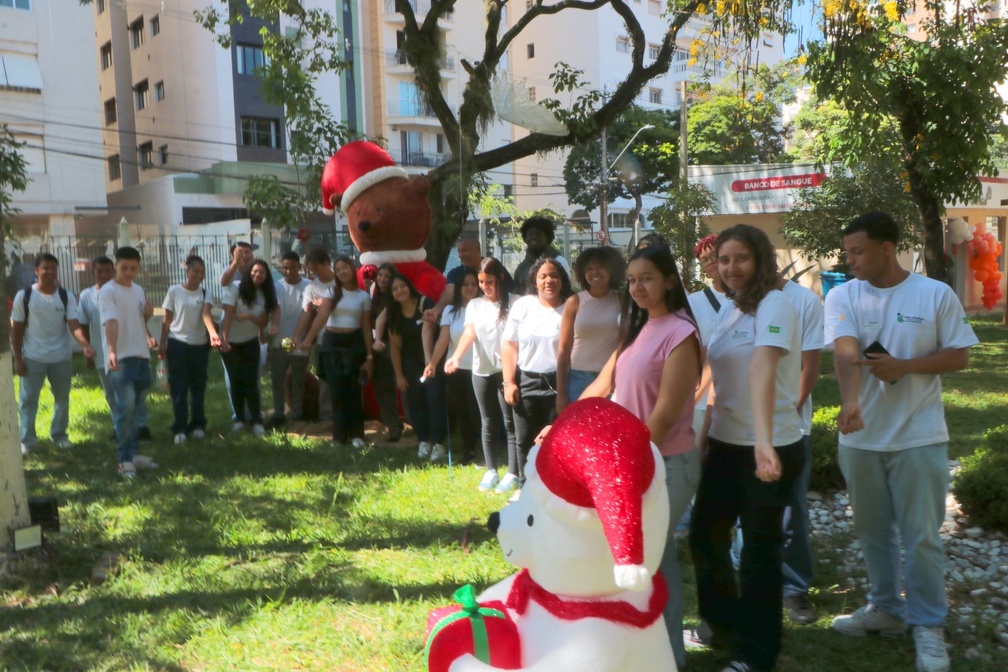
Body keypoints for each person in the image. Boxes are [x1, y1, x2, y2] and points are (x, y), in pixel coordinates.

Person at [826, 211, 977, 672]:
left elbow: (960, 355)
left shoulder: (934, 294)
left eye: (858, 251)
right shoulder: (843, 294)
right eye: (847, 251)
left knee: (922, 538)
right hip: (861, 441)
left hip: (919, 437)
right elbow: (845, 349)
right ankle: (887, 610)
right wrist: (851, 402)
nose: (849, 259)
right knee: (872, 534)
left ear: (886, 249)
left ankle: (928, 625)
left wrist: (905, 366)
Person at [577, 244, 701, 671]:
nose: (637, 287)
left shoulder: (681, 333)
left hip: (666, 464)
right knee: (644, 560)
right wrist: (566, 427)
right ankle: (643, 650)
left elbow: (664, 417)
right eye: (631, 280)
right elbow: (602, 383)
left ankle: (668, 656)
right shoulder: (638, 328)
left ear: (669, 280)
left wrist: (624, 463)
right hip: (631, 462)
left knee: (654, 562)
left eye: (646, 278)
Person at [689, 224, 804, 672]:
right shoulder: (733, 309)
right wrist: (703, 436)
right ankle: (723, 623)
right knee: (705, 535)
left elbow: (761, 369)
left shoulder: (777, 304)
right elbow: (718, 379)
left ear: (759, 260)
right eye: (724, 260)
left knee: (758, 554)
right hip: (726, 443)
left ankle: (757, 654)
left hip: (769, 447)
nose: (731, 268)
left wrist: (762, 442)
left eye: (741, 259)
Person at [445, 257, 519, 493]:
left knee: (510, 423)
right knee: (487, 421)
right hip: (482, 370)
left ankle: (513, 473)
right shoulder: (475, 305)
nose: (485, 287)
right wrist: (456, 356)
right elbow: (469, 333)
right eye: (481, 282)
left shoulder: (516, 303)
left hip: (507, 372)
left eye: (489, 282)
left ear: (501, 280)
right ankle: (491, 470)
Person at [11, 253, 95, 454]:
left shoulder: (66, 296)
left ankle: (59, 435)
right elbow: (17, 330)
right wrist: (18, 359)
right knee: (28, 400)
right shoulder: (24, 296)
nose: (49, 272)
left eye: (53, 269)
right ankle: (27, 441)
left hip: (61, 358)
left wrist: (85, 344)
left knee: (62, 399)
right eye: (45, 268)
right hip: (33, 358)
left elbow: (74, 324)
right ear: (36, 271)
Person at [776, 275, 824, 625]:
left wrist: (788, 413)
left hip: (789, 425)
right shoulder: (738, 302)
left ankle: (793, 586)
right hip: (743, 428)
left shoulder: (803, 301)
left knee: (791, 506)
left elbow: (810, 365)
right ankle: (751, 576)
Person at [501, 257, 571, 485]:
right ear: (534, 280)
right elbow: (509, 345)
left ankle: (554, 489)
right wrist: (509, 382)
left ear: (562, 280)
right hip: (527, 381)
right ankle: (527, 487)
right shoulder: (523, 305)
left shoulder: (571, 307)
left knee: (556, 440)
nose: (549, 280)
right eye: (543, 276)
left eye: (554, 276)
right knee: (525, 440)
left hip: (560, 384)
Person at [300, 256, 373, 448]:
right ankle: (339, 436)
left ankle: (357, 435)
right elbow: (322, 316)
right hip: (332, 344)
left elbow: (366, 328)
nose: (342, 272)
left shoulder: (363, 296)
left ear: (352, 269)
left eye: (345, 268)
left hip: (354, 345)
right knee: (337, 391)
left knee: (354, 390)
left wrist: (369, 355)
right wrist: (308, 339)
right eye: (338, 269)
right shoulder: (331, 292)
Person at [100, 247, 159, 478]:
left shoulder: (138, 290)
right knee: (126, 408)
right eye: (124, 267)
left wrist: (147, 318)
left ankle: (133, 454)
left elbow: (137, 320)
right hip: (121, 358)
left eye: (133, 268)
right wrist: (112, 352)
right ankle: (124, 460)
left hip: (141, 356)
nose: (128, 272)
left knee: (136, 410)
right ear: (116, 265)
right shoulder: (108, 291)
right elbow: (111, 323)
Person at [555, 246, 625, 413]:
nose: (595, 272)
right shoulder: (575, 302)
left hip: (612, 378)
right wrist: (561, 393)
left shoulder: (622, 300)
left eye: (600, 266)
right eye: (589, 268)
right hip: (578, 379)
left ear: (611, 269)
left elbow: (626, 343)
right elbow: (563, 349)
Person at [387, 272, 448, 461]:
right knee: (416, 402)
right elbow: (395, 347)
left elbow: (431, 331)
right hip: (410, 364)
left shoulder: (425, 303)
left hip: (433, 361)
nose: (400, 291)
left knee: (435, 400)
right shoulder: (394, 314)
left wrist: (431, 362)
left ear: (409, 286)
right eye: (395, 289)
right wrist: (399, 375)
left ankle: (438, 443)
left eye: (402, 286)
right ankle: (423, 440)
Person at [425, 267, 481, 464]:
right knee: (463, 410)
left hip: (481, 369)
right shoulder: (450, 310)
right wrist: (432, 362)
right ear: (458, 287)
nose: (470, 288)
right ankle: (469, 450)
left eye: (474, 284)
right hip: (456, 369)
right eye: (465, 284)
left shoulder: (484, 307)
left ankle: (487, 449)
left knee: (479, 410)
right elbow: (443, 340)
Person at [159, 255, 216, 444]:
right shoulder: (174, 291)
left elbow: (206, 315)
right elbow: (166, 319)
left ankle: (198, 424)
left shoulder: (206, 292)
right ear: (187, 271)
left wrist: (213, 334)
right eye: (195, 271)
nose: (198, 275)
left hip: (200, 346)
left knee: (198, 386)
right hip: (177, 344)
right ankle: (180, 428)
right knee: (179, 387)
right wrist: (162, 343)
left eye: (201, 272)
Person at [220, 259, 279, 437]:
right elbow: (228, 316)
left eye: (261, 273)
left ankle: (256, 421)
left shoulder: (266, 293)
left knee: (251, 382)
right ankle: (239, 419)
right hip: (230, 342)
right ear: (248, 272)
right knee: (235, 381)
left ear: (266, 276)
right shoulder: (235, 287)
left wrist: (248, 316)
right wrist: (224, 340)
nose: (257, 275)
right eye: (254, 271)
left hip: (250, 341)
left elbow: (263, 321)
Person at [267, 251, 311, 428]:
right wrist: (275, 326)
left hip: (301, 342)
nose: (289, 271)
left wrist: (306, 336)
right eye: (285, 268)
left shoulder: (309, 286)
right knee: (278, 378)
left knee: (298, 379)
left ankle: (297, 413)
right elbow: (276, 308)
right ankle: (279, 413)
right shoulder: (276, 286)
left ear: (299, 267)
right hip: (280, 341)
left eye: (292, 267)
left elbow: (310, 312)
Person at [292, 248, 336, 422]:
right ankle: (327, 415)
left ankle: (348, 413)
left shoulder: (341, 282)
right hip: (321, 337)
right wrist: (297, 335)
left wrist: (326, 305)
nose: (313, 273)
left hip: (344, 335)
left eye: (316, 268)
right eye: (310, 269)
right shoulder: (312, 287)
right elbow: (306, 313)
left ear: (326, 263)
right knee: (324, 376)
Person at [78, 256, 118, 435]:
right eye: (100, 271)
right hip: (101, 352)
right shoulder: (87, 295)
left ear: (113, 271)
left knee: (126, 392)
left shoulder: (121, 291)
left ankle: (135, 427)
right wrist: (87, 350)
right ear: (93, 271)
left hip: (123, 349)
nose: (104, 274)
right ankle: (118, 427)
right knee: (110, 392)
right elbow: (83, 324)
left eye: (108, 271)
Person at [511, 217, 570, 294]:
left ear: (547, 238)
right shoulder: (521, 269)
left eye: (538, 234)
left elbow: (566, 291)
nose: (534, 237)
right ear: (525, 238)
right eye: (530, 234)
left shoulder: (559, 261)